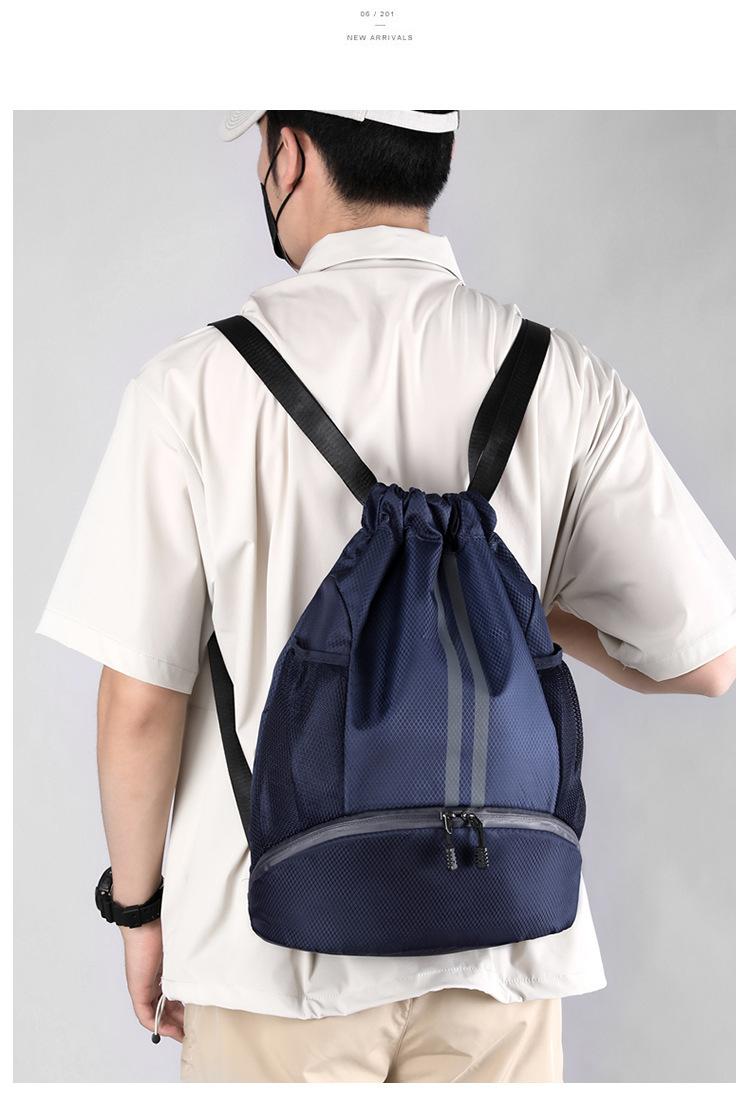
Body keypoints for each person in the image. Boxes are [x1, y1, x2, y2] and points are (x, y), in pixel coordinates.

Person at [35, 109, 736, 1083]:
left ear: (287, 152)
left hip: (271, 954)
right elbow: (707, 658)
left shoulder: (194, 383)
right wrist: (512, 603)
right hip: (503, 947)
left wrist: (139, 912)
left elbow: (139, 702)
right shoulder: (559, 374)